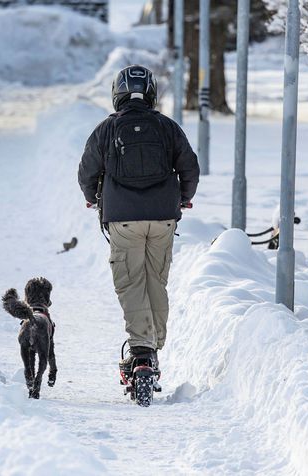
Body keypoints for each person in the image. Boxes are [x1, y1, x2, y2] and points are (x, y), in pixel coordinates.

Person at [77, 65, 200, 373]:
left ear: (117, 94)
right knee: (156, 280)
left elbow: (87, 170)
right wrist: (184, 197)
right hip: (163, 218)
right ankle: (155, 343)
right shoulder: (167, 127)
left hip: (123, 220)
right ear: (151, 94)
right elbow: (190, 166)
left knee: (131, 282)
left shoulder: (107, 129)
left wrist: (92, 197)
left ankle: (141, 349)